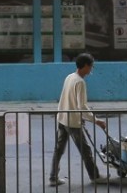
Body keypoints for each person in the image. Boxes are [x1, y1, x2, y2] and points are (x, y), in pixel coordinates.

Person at [48, 52, 111, 187]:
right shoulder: (80, 82)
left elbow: (66, 99)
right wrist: (96, 120)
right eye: (91, 66)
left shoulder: (69, 77)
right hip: (72, 122)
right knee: (86, 150)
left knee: (58, 149)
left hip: (62, 118)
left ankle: (53, 177)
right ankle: (95, 176)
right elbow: (81, 106)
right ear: (85, 66)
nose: (91, 69)